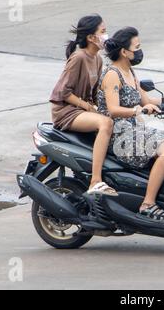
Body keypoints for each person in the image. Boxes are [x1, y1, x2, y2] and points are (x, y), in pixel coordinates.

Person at [96, 27, 164, 221]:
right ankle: (148, 204)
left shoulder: (130, 72)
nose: (139, 51)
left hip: (136, 129)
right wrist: (138, 111)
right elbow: (113, 109)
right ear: (124, 52)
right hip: (119, 135)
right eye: (137, 47)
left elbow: (147, 101)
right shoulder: (113, 74)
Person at [49, 14, 117, 196]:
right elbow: (62, 92)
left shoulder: (98, 59)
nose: (106, 36)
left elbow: (95, 94)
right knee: (105, 124)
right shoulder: (78, 57)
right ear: (90, 37)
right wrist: (88, 107)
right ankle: (95, 180)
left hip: (82, 110)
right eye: (103, 32)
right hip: (67, 112)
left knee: (117, 121)